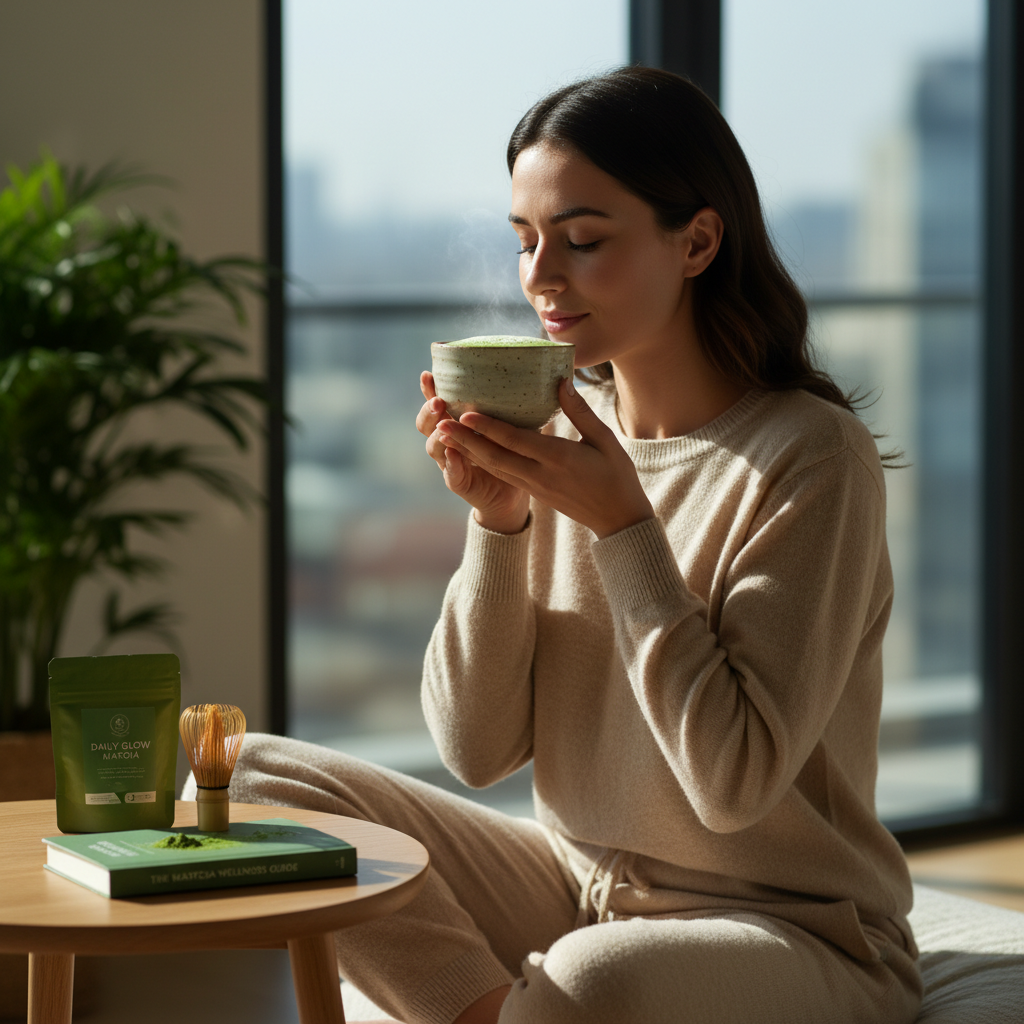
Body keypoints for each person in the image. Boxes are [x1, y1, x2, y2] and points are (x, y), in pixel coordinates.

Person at [218, 67, 923, 1024]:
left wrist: (625, 529)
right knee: (253, 778)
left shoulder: (809, 459)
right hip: (574, 887)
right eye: (526, 242)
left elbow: (734, 784)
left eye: (583, 241)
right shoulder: (562, 438)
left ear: (698, 241)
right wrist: (500, 522)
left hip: (793, 932)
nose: (542, 276)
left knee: (595, 980)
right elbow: (476, 748)